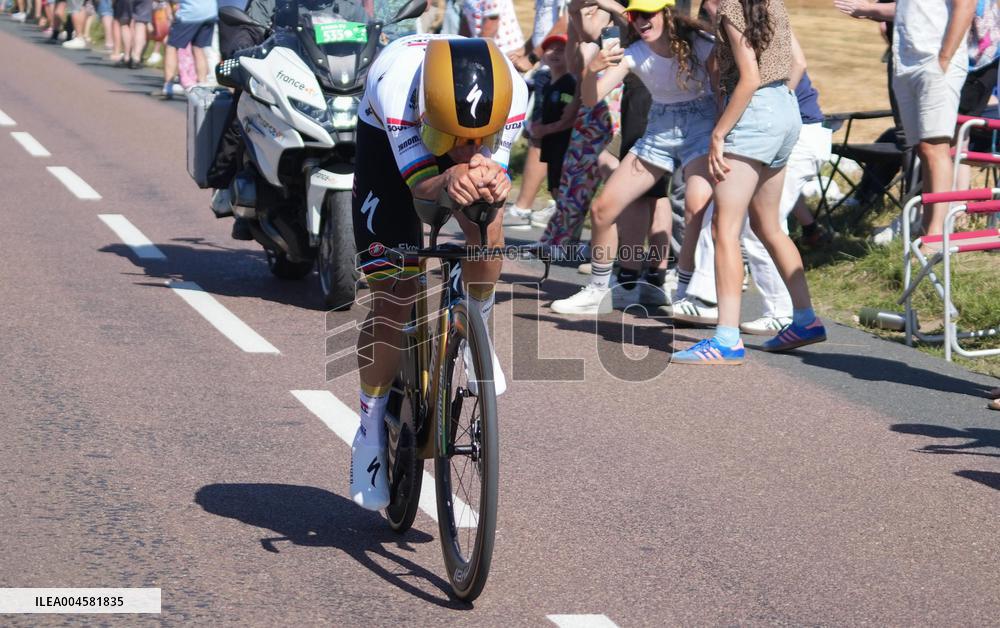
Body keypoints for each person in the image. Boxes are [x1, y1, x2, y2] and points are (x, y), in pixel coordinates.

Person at [348, 35, 527, 510]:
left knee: (487, 219)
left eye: (474, 142)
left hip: (460, 123)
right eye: (450, 140)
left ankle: (478, 327)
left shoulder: (516, 91)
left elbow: (485, 182)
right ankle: (368, 427)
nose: (464, 150)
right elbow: (424, 192)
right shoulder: (395, 86)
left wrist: (489, 181)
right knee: (395, 289)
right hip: (390, 151)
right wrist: (447, 176)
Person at [672, 0, 826, 364]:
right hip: (786, 109)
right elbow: (797, 63)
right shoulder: (773, 4)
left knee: (723, 229)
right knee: (768, 225)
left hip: (754, 111)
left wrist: (720, 132)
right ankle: (804, 319)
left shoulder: (730, 7)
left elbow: (750, 76)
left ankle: (726, 338)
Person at [549, 0, 715, 316]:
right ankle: (598, 290)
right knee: (602, 208)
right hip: (659, 128)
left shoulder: (700, 44)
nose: (640, 21)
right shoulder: (635, 52)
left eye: (647, 14)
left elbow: (723, 85)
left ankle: (684, 292)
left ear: (667, 12)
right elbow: (590, 97)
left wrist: (724, 135)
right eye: (634, 15)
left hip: (701, 127)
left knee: (695, 207)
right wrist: (592, 70)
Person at [161, 0, 216, 97]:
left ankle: (168, 85)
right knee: (198, 48)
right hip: (210, 12)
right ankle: (202, 84)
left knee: (171, 46)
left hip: (190, 13)